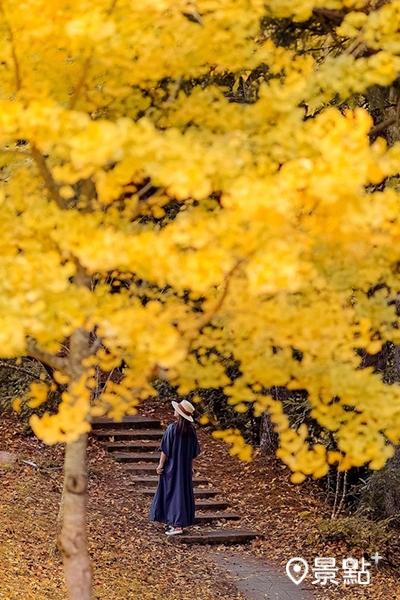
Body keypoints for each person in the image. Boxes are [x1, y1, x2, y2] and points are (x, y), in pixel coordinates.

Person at [150, 400, 200, 535]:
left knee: (171, 492)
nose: (174, 410)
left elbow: (165, 450)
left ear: (179, 414)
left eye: (176, 409)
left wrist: (160, 465)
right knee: (181, 493)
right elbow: (192, 453)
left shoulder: (172, 429)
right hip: (184, 469)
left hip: (172, 468)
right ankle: (176, 523)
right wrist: (191, 467)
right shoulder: (191, 431)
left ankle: (177, 525)